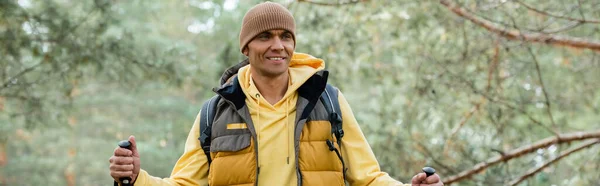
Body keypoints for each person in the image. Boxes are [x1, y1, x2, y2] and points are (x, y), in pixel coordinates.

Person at [109, 1, 443, 186]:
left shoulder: (328, 101)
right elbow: (186, 185)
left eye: (285, 36)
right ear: (246, 46)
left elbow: (367, 178)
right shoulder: (217, 112)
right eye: (265, 36)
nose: (277, 45)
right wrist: (138, 178)